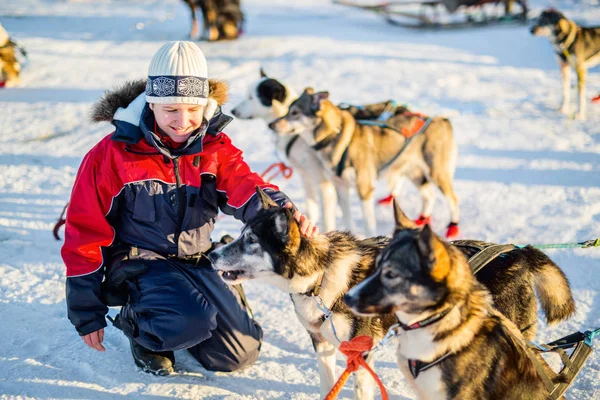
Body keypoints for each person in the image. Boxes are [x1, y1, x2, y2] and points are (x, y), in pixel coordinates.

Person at [62, 41, 317, 376]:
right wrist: (86, 312)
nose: (183, 121)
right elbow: (83, 231)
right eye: (171, 110)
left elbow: (245, 185)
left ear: (205, 105)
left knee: (237, 355)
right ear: (151, 104)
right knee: (186, 323)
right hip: (142, 262)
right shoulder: (111, 155)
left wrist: (282, 213)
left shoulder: (214, 147)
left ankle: (201, 308)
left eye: (192, 110)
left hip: (198, 256)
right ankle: (141, 324)